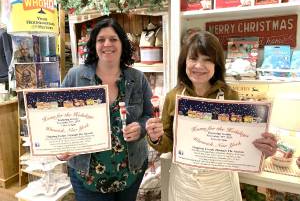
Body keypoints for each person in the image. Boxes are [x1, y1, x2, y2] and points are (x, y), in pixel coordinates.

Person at [146, 30, 278, 201]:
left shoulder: (230, 96)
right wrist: (155, 137)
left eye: (207, 60)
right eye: (193, 58)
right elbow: (167, 144)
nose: (199, 66)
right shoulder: (174, 97)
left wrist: (263, 149)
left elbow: (242, 144)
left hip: (220, 185)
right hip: (184, 186)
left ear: (217, 65)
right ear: (184, 62)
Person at [57, 17, 153, 201]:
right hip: (88, 173)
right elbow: (57, 115)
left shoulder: (137, 78)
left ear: (122, 44)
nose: (107, 44)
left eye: (113, 39)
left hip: (131, 170)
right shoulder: (76, 76)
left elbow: (149, 114)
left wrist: (141, 127)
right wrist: (60, 145)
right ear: (94, 45)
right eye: (101, 40)